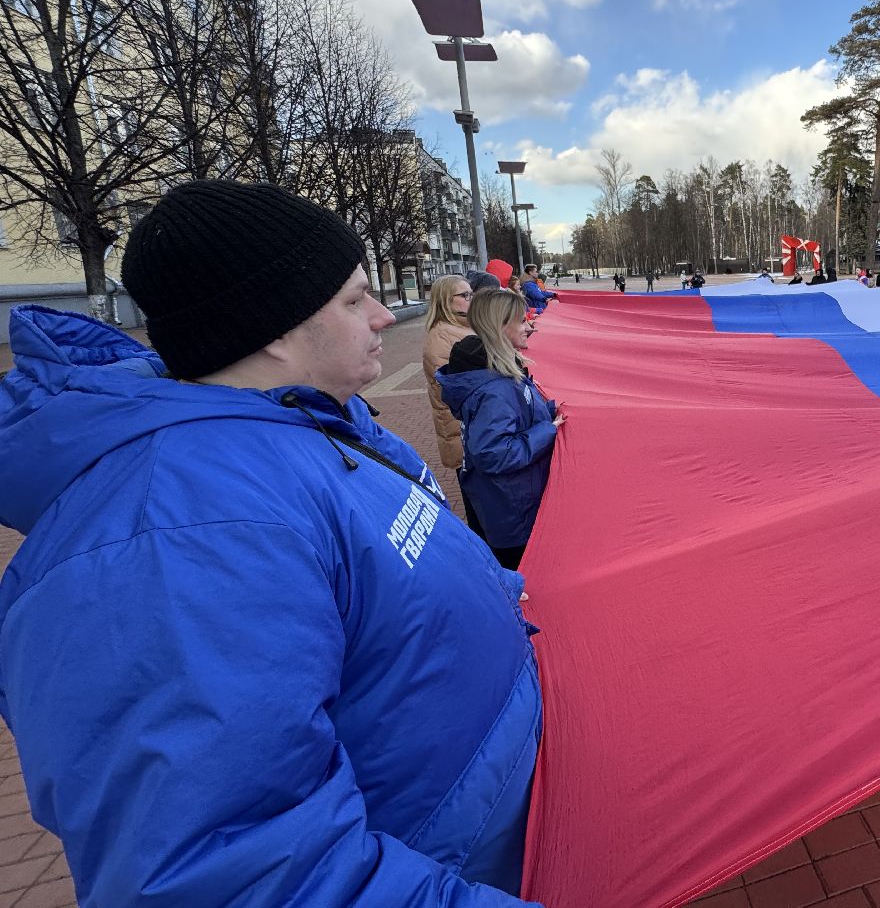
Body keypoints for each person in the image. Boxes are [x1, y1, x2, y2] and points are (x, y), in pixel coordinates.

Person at [0, 180, 542, 905]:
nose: (384, 316)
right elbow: (232, 874)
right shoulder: (176, 534)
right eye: (354, 299)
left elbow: (391, 587)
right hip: (453, 871)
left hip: (491, 828)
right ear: (274, 329)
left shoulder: (314, 425)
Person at [441, 288, 563, 573]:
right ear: (500, 327)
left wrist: (550, 412)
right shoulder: (496, 389)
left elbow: (519, 415)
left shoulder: (501, 375)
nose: (529, 326)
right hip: (513, 510)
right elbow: (493, 453)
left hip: (512, 502)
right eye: (521, 320)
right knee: (522, 576)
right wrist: (548, 430)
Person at [423, 274, 487, 536]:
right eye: (464, 295)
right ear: (445, 301)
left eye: (471, 293)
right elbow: (456, 391)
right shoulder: (442, 338)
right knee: (481, 512)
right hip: (463, 435)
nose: (471, 299)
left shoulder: (463, 328)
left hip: (472, 432)